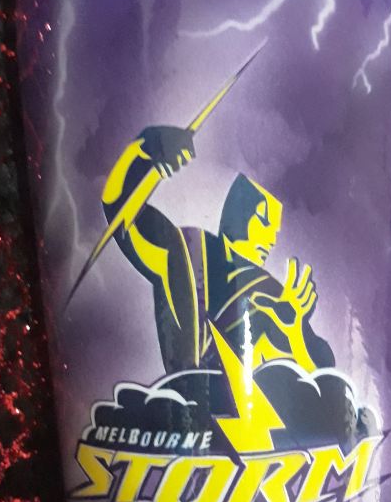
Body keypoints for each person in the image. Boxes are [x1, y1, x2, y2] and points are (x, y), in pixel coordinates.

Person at [102, 124, 336, 378]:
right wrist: (145, 150)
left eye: (275, 230)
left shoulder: (272, 293)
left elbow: (322, 379)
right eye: (263, 220)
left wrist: (295, 332)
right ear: (237, 210)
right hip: (184, 395)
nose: (270, 238)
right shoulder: (190, 251)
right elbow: (122, 214)